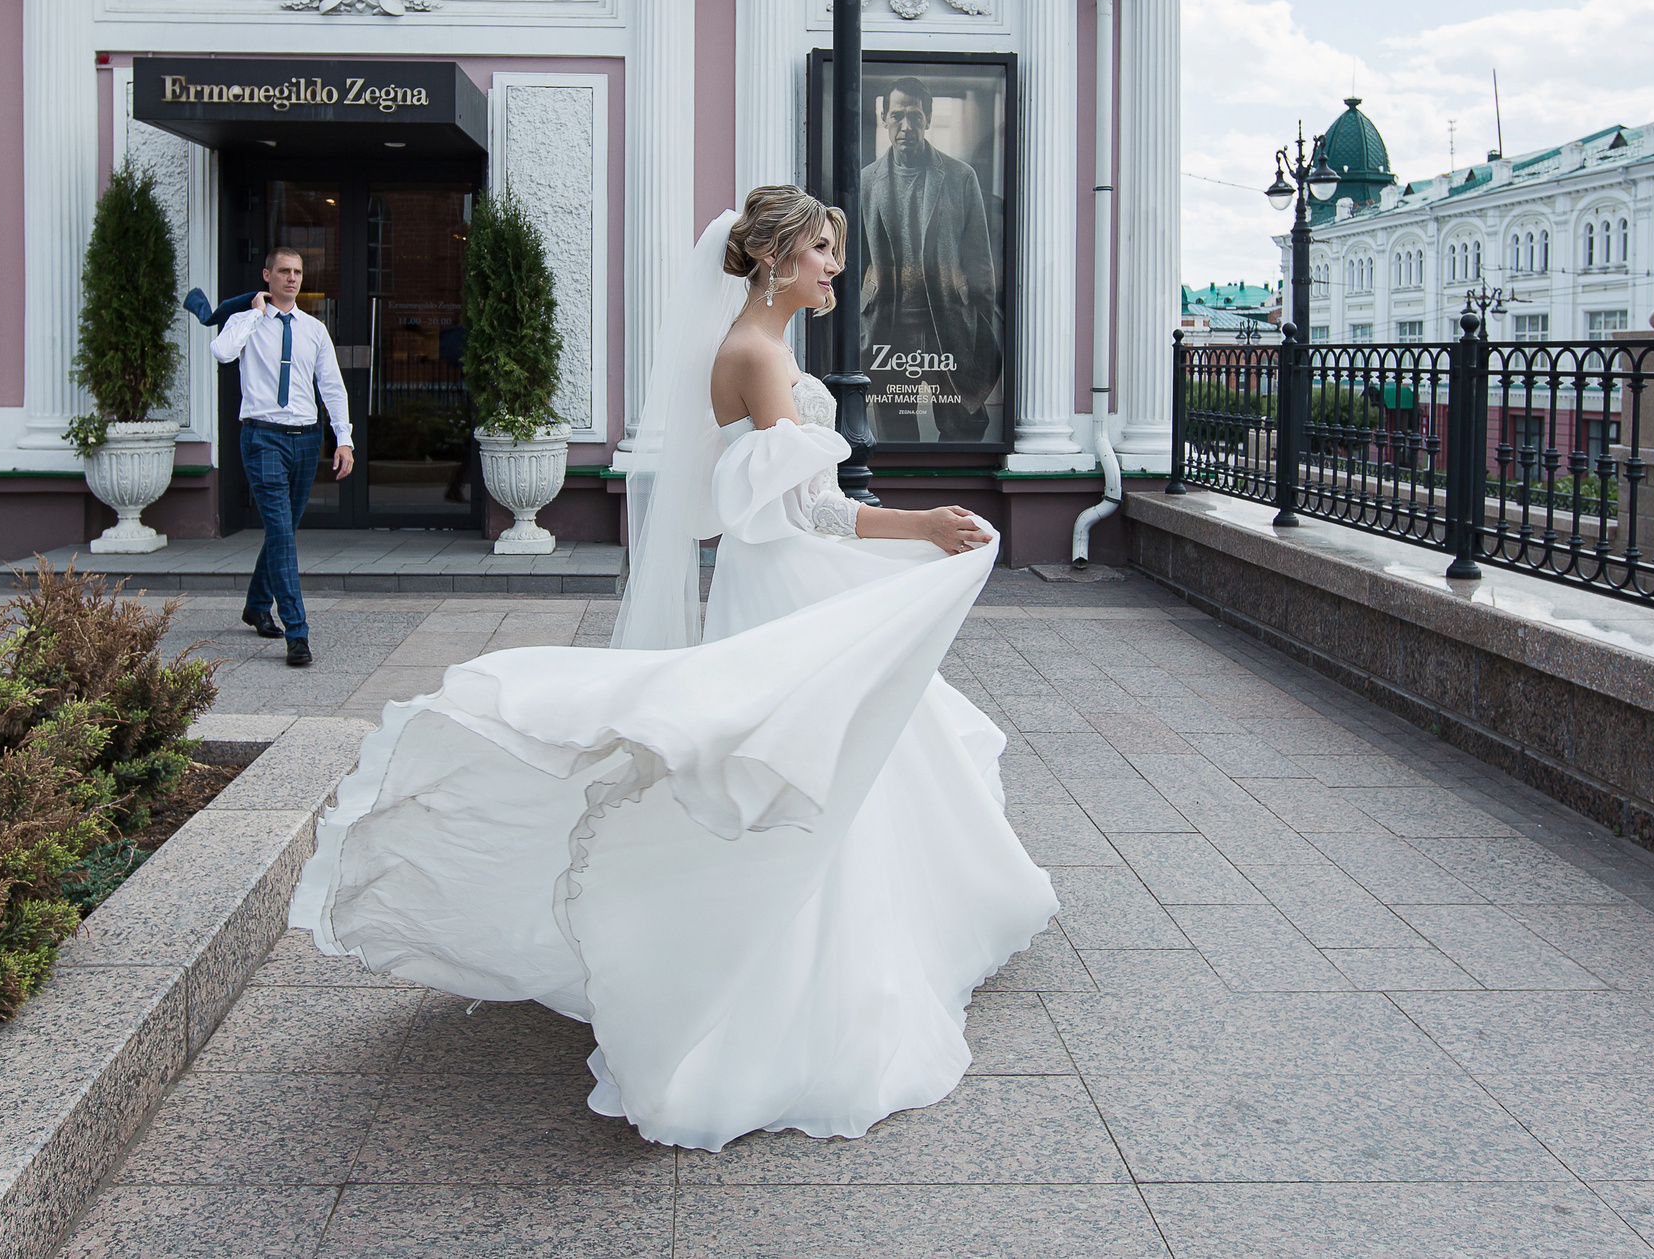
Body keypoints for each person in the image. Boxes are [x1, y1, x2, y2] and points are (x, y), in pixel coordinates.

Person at [288, 186, 1053, 1152]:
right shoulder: (756, 353)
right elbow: (812, 508)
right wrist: (924, 527)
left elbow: (785, 499)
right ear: (774, 256)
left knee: (856, 735)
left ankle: (891, 924)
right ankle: (785, 976)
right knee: (811, 750)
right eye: (821, 250)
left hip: (772, 570)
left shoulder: (757, 345)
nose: (834, 267)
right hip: (784, 574)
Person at [209, 248, 354, 668]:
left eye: (297, 272)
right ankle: (297, 631)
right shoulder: (246, 322)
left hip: (306, 441)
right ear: (267, 275)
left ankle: (257, 604)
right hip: (262, 438)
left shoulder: (313, 329)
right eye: (284, 272)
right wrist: (255, 313)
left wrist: (342, 439)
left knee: (283, 529)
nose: (292, 279)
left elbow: (332, 387)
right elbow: (222, 353)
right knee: (282, 533)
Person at [858, 76, 1001, 442]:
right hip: (888, 326)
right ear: (884, 118)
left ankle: (954, 492)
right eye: (897, 116)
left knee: (965, 423)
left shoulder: (959, 177)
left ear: (928, 118)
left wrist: (979, 326)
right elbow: (852, 260)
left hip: (948, 323)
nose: (905, 126)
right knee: (894, 431)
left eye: (914, 116)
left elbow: (980, 263)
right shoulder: (866, 182)